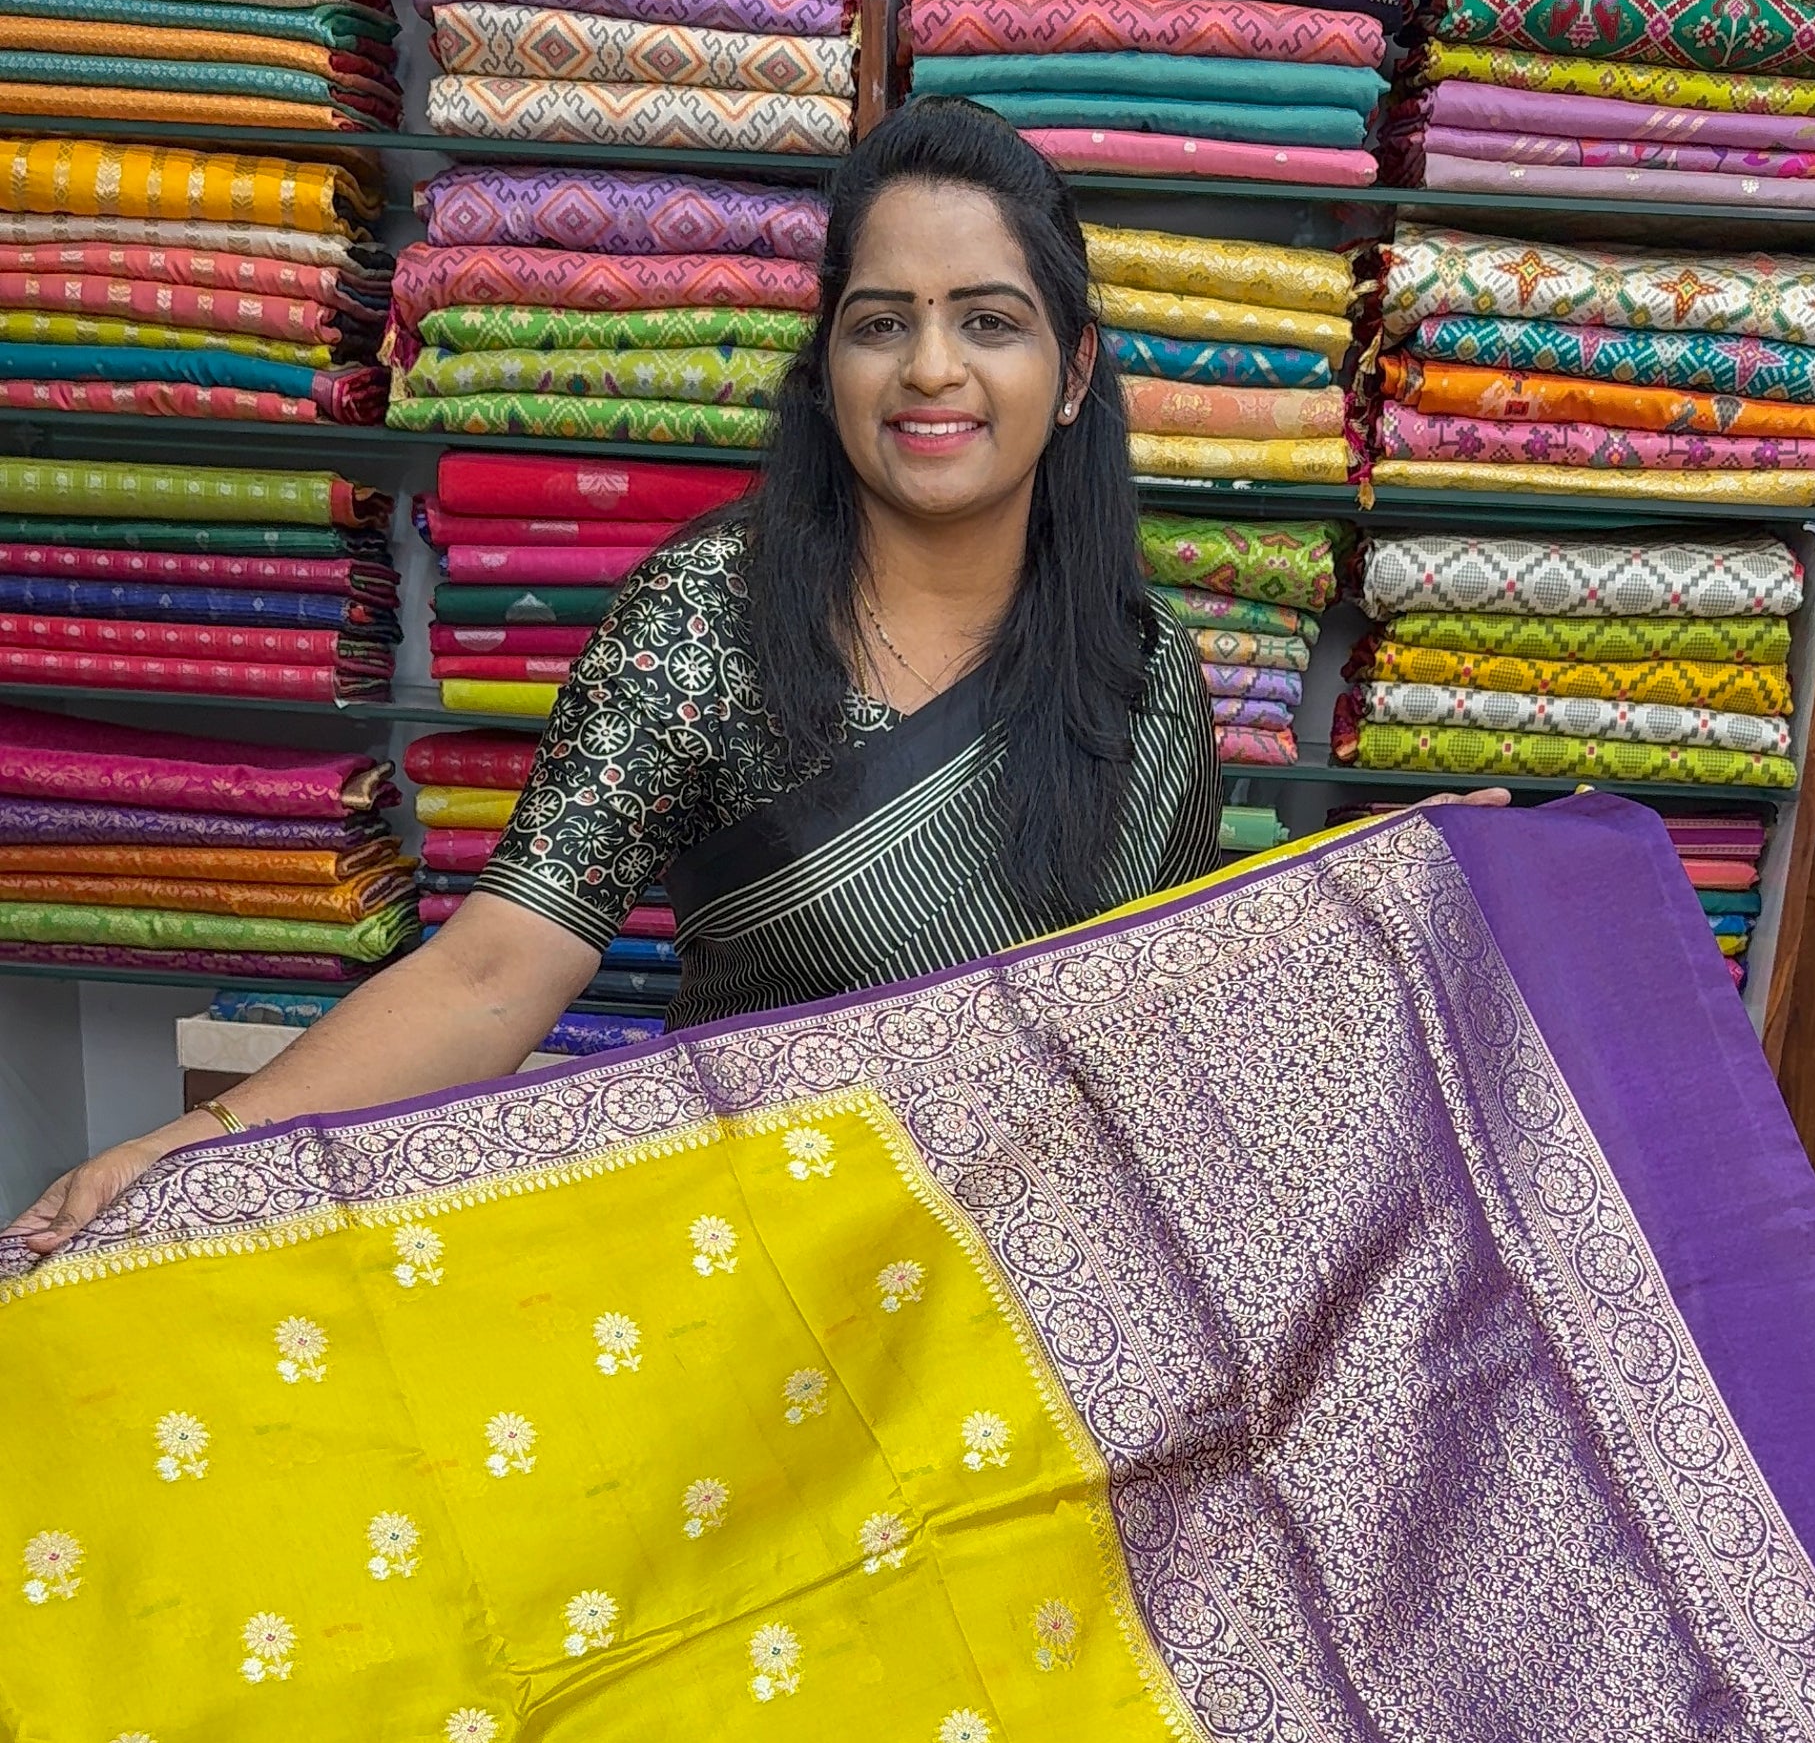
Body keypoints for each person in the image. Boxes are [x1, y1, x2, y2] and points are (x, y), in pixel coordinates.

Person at [8, 98, 1226, 1256]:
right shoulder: (710, 619)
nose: (930, 369)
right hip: (764, 1277)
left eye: (988, 322)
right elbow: (493, 971)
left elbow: (1168, 1040)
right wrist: (195, 1147)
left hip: (1045, 1298)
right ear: (826, 364)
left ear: (1072, 372)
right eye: (880, 323)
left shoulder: (1139, 671)